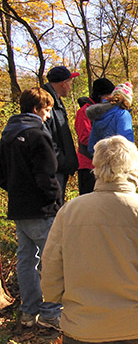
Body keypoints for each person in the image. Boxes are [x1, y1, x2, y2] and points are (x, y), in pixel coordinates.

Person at [41, 135, 138, 343]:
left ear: (96, 167)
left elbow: (51, 274)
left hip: (83, 328)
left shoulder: (70, 212)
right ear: (134, 169)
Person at [0, 88, 63, 329]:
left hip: (18, 208)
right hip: (42, 208)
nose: (48, 116)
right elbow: (47, 175)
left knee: (26, 259)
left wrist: (16, 190)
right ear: (36, 109)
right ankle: (50, 311)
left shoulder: (7, 135)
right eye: (47, 110)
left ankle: (29, 310)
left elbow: (1, 174)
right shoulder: (38, 134)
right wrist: (56, 203)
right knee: (53, 260)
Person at [43, 65, 80, 196]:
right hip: (53, 171)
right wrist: (63, 162)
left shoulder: (56, 102)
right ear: (63, 84)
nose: (70, 87)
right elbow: (45, 139)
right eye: (70, 83)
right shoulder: (45, 104)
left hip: (59, 169)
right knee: (54, 212)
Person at [74, 78, 115, 194]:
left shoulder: (105, 111)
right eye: (107, 96)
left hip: (103, 165)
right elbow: (85, 138)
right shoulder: (84, 112)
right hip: (87, 165)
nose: (109, 100)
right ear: (99, 95)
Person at [87, 81, 135, 155]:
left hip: (101, 162)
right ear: (128, 101)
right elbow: (126, 144)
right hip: (120, 162)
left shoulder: (99, 115)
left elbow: (91, 147)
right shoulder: (123, 114)